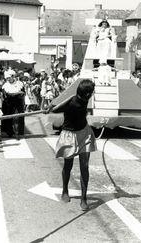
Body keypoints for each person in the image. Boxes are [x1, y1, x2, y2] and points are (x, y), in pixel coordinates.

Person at [46, 79, 97, 211]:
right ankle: (65, 191)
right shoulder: (72, 103)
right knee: (68, 166)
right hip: (69, 135)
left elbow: (67, 100)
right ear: (86, 94)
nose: (92, 94)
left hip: (84, 134)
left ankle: (84, 198)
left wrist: (52, 108)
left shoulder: (81, 99)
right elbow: (56, 109)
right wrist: (50, 109)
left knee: (84, 167)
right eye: (91, 92)